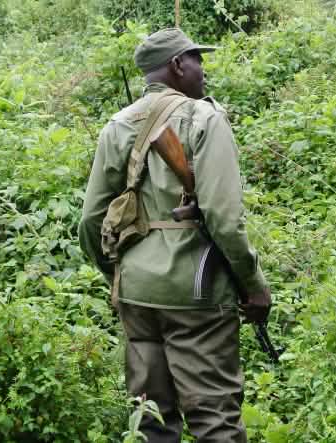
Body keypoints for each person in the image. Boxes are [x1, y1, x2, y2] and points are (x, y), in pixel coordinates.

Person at [78, 28, 271, 443]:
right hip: (196, 292)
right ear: (178, 65)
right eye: (197, 59)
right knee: (213, 417)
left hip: (135, 291)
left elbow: (91, 220)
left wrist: (117, 273)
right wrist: (253, 285)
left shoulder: (117, 125)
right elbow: (225, 218)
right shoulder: (204, 118)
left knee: (151, 419)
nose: (203, 69)